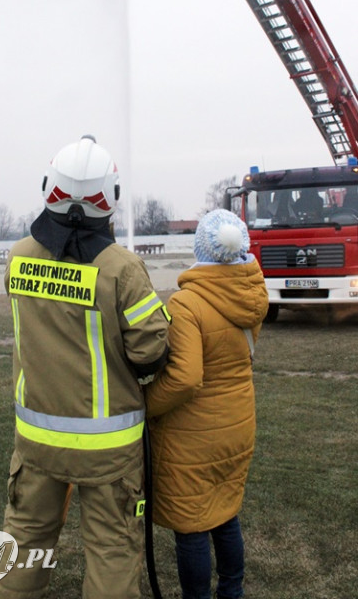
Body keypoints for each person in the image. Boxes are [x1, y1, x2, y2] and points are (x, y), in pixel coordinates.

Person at [0, 135, 169, 599]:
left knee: (23, 544)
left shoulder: (18, 257)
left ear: (49, 187)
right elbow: (150, 350)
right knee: (112, 550)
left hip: (36, 444)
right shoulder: (122, 270)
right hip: (109, 449)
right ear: (109, 198)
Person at [145, 209, 269, 599]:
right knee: (226, 512)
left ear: (201, 249)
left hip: (195, 436)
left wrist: (145, 405)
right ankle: (232, 590)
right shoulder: (252, 297)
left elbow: (185, 378)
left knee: (192, 524)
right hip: (238, 424)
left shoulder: (187, 304)